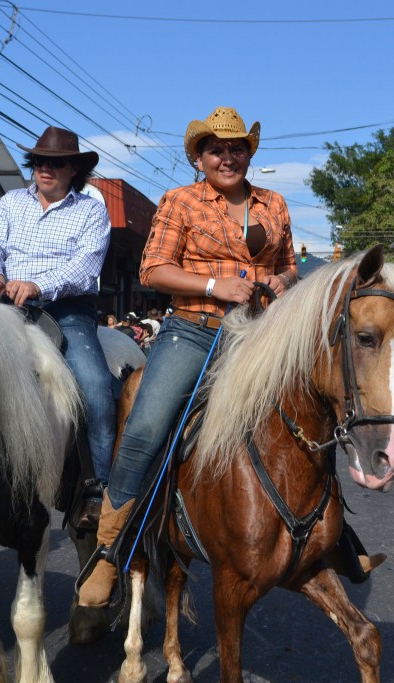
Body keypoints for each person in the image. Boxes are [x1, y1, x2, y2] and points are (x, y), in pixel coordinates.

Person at [76, 106, 307, 610]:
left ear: (249, 154)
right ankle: (109, 552)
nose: (228, 157)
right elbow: (153, 270)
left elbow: (291, 267)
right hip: (195, 331)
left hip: (261, 335)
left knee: (318, 410)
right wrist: (212, 285)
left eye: (237, 148)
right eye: (216, 150)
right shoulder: (180, 201)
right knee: (143, 429)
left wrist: (281, 280)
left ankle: (331, 536)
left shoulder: (274, 203)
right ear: (199, 158)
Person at [0, 125, 117, 507]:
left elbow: (85, 268)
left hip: (67, 311)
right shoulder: (11, 202)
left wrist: (38, 285)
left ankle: (99, 489)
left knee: (97, 390)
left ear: (74, 169)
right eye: (39, 161)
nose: (46, 169)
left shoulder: (90, 210)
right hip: (8, 307)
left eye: (57, 163)